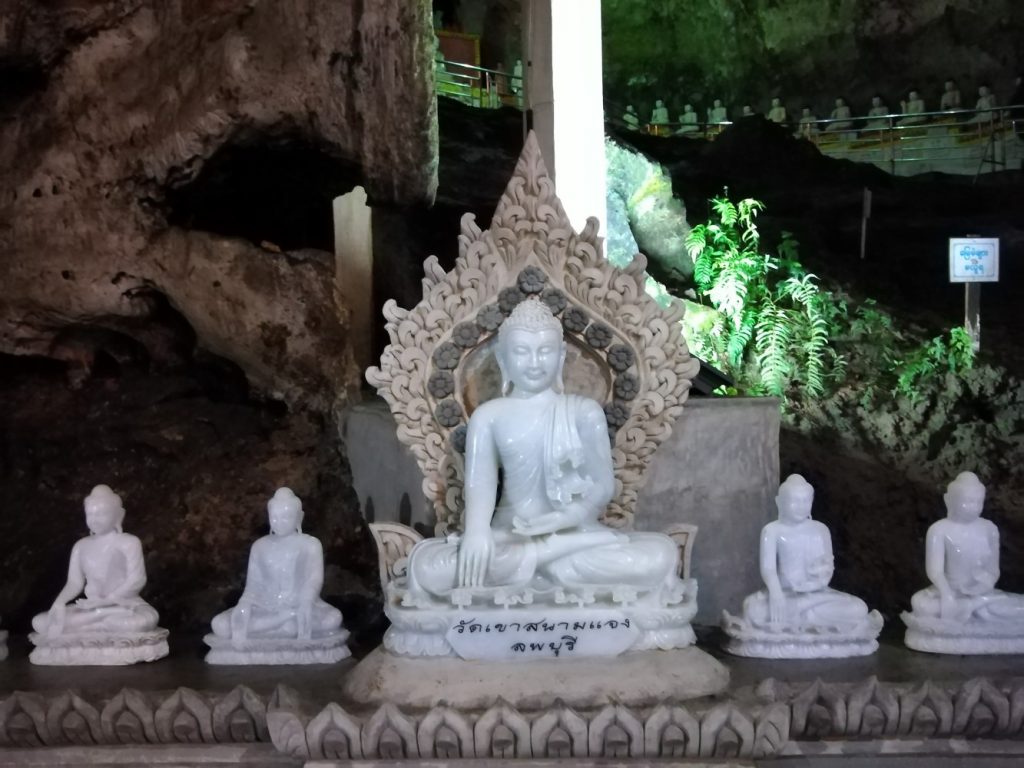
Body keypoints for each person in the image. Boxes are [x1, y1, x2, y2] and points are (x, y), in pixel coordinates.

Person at [405, 298, 682, 604]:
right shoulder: (489, 415)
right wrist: (476, 533)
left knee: (658, 555)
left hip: (574, 535)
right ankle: (549, 565)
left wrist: (562, 519)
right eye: (522, 352)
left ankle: (542, 562)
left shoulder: (583, 412)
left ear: (561, 356)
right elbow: (480, 482)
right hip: (507, 537)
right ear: (502, 358)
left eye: (545, 351)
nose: (535, 362)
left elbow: (603, 485)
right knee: (429, 567)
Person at [210, 488, 343, 644]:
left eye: (286, 517)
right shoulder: (259, 546)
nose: (279, 522)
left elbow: (314, 579)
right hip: (264, 606)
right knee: (220, 625)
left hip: (299, 604)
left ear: (299, 517)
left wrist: (305, 601)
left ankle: (284, 624)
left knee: (333, 619)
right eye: (275, 517)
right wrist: (244, 605)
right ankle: (285, 622)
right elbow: (253, 585)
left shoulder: (310, 544)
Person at [737, 474, 871, 629]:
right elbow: (768, 569)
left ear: (812, 502)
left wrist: (814, 585)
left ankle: (797, 617)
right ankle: (803, 618)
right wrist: (775, 593)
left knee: (858, 608)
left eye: (805, 501)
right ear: (779, 502)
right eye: (795, 501)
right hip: (784, 594)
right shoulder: (772, 530)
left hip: (817, 595)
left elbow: (826, 568)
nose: (801, 506)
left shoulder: (820, 530)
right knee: (752, 609)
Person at [32, 485, 161, 637]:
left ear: (118, 515)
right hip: (91, 606)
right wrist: (59, 603)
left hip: (125, 605)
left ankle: (96, 622)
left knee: (142, 622)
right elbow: (74, 583)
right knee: (39, 622)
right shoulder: (81, 546)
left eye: (102, 514)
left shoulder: (129, 542)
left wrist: (106, 601)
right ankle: (100, 619)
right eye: (90, 514)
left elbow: (137, 580)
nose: (94, 519)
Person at [907, 472, 1024, 625]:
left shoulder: (989, 529)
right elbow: (935, 571)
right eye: (968, 501)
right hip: (948, 593)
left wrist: (984, 585)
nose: (974, 507)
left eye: (978, 502)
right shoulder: (939, 529)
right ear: (949, 501)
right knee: (921, 604)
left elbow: (993, 570)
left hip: (982, 594)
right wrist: (947, 593)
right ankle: (971, 609)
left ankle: (972, 608)